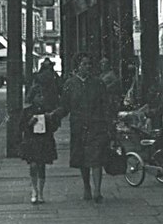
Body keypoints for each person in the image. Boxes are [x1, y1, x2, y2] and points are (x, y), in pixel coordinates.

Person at [48, 52, 112, 203]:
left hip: (96, 126)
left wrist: (109, 123)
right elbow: (65, 106)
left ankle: (97, 190)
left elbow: (105, 105)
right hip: (78, 126)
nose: (88, 67)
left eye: (89, 64)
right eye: (84, 64)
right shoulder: (70, 84)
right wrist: (53, 115)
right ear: (77, 66)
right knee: (83, 159)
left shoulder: (98, 83)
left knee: (96, 158)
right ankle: (86, 186)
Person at [20, 89, 59, 204]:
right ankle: (34, 190)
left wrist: (50, 119)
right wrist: (30, 122)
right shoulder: (27, 111)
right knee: (33, 165)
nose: (41, 98)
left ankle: (40, 192)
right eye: (38, 96)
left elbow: (54, 127)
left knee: (41, 166)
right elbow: (21, 127)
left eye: (42, 96)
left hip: (44, 141)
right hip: (32, 141)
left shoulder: (48, 111)